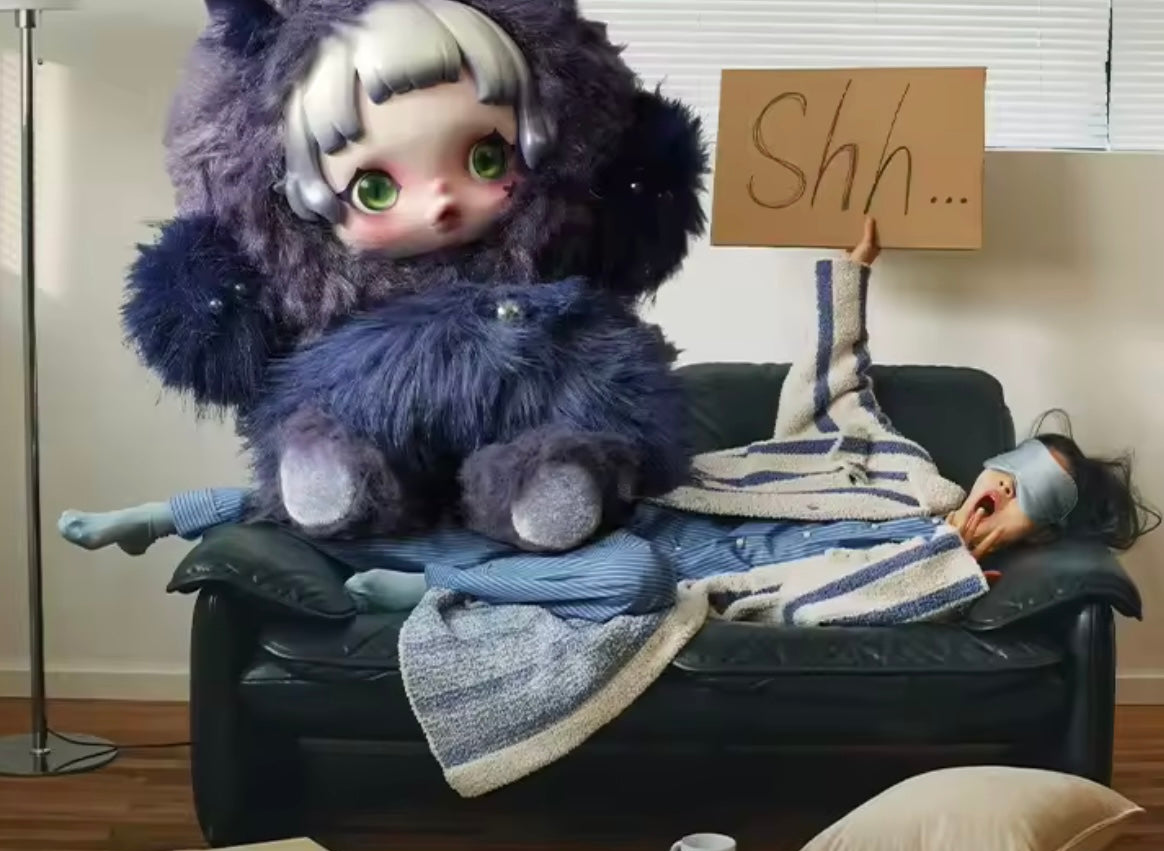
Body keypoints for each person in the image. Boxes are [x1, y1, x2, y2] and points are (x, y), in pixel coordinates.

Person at [59, 219, 1156, 623]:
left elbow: (820, 607)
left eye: (1031, 500)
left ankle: (431, 589)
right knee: (418, 489)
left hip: (674, 574)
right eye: (1015, 468)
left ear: (1041, 529)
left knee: (625, 580)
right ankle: (169, 512)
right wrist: (852, 267)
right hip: (652, 502)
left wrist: (949, 559)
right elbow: (837, 384)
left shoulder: (952, 575)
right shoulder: (903, 467)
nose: (1001, 490)